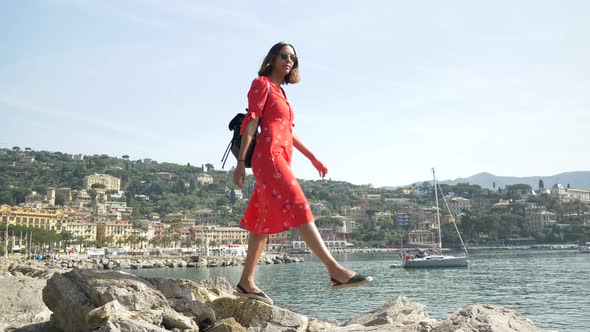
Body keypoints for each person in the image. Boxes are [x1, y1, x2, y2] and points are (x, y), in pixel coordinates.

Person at [233, 42, 373, 305]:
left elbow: (289, 131)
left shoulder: (282, 93)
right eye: (284, 56)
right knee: (299, 205)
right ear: (272, 58)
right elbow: (251, 121)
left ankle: (245, 282)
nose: (289, 61)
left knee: (261, 222)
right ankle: (335, 270)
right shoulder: (261, 84)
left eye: (294, 58)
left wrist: (313, 158)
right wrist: (241, 161)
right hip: (269, 156)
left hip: (282, 156)